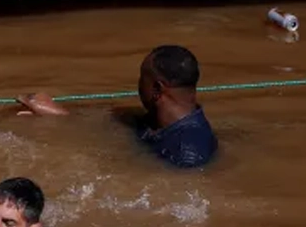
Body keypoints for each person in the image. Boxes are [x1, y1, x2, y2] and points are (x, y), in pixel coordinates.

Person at [17, 44, 218, 169]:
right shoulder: (155, 121)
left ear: (157, 89)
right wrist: (58, 115)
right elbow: (106, 120)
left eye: (142, 78)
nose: (138, 84)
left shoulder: (188, 153)